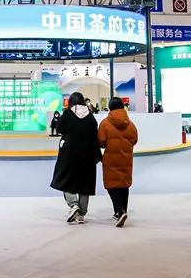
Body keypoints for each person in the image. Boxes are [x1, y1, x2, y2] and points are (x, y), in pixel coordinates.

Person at [51, 92, 101, 224]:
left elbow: (59, 128)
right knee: (85, 183)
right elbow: (95, 136)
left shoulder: (67, 114)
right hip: (88, 154)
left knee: (65, 178)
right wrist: (97, 155)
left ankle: (73, 205)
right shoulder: (90, 116)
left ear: (71, 101)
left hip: (69, 153)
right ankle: (81, 213)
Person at [98, 97, 139, 227]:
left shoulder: (105, 123)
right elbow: (135, 139)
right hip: (126, 158)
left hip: (111, 158)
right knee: (124, 184)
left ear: (110, 107)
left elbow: (101, 142)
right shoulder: (130, 124)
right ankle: (123, 211)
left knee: (112, 185)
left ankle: (119, 211)